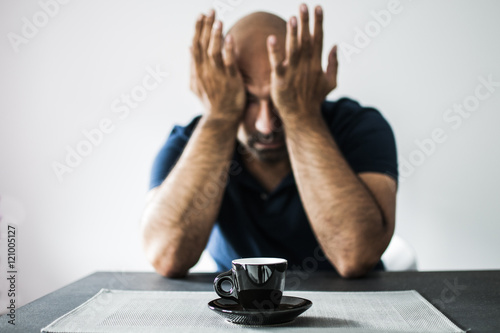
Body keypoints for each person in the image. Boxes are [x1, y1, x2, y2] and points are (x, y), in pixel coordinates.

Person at [140, 4, 398, 279]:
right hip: (239, 313)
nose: (266, 125)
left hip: (354, 311)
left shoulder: (358, 127)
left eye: (281, 95)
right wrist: (219, 118)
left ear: (306, 81)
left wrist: (301, 115)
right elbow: (166, 257)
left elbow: (356, 255)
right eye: (248, 99)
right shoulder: (191, 143)